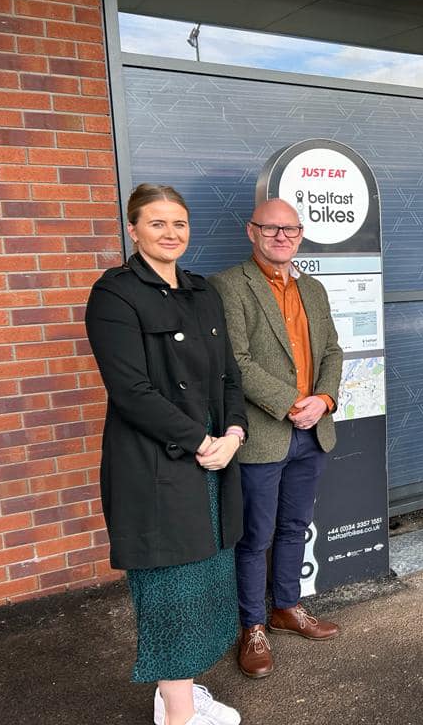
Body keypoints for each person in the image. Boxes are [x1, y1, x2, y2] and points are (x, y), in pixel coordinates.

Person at [85, 183, 246, 725]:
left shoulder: (203, 292)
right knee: (171, 586)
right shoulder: (114, 294)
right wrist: (203, 442)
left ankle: (177, 693)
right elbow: (130, 391)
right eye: (157, 223)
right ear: (133, 229)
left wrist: (235, 434)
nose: (170, 233)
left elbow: (229, 376)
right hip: (158, 460)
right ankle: (178, 715)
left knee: (205, 583)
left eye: (179, 223)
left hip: (215, 454)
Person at [210, 198, 344, 679]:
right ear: (252, 232)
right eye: (270, 229)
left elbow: (332, 349)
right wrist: (291, 401)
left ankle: (286, 607)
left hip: (313, 431)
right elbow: (236, 361)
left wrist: (324, 398)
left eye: (289, 229)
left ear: (300, 234)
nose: (280, 237)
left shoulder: (313, 288)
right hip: (265, 432)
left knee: (293, 527)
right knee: (254, 537)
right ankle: (252, 626)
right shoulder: (228, 286)